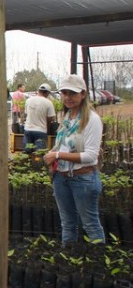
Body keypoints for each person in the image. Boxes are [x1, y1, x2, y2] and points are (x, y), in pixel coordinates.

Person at [43, 75, 104, 244]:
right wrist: (53, 155)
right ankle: (69, 262)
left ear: (83, 94)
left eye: (72, 93)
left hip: (83, 179)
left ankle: (97, 263)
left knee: (90, 225)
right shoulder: (68, 117)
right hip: (61, 178)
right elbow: (62, 144)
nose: (68, 98)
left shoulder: (92, 120)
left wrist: (57, 155)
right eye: (64, 93)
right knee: (68, 224)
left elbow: (91, 156)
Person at [23, 83, 57, 152]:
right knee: (39, 155)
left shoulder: (28, 100)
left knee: (26, 153)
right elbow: (52, 118)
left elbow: (26, 114)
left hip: (28, 129)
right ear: (47, 93)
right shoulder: (48, 103)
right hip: (41, 131)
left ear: (38, 91)